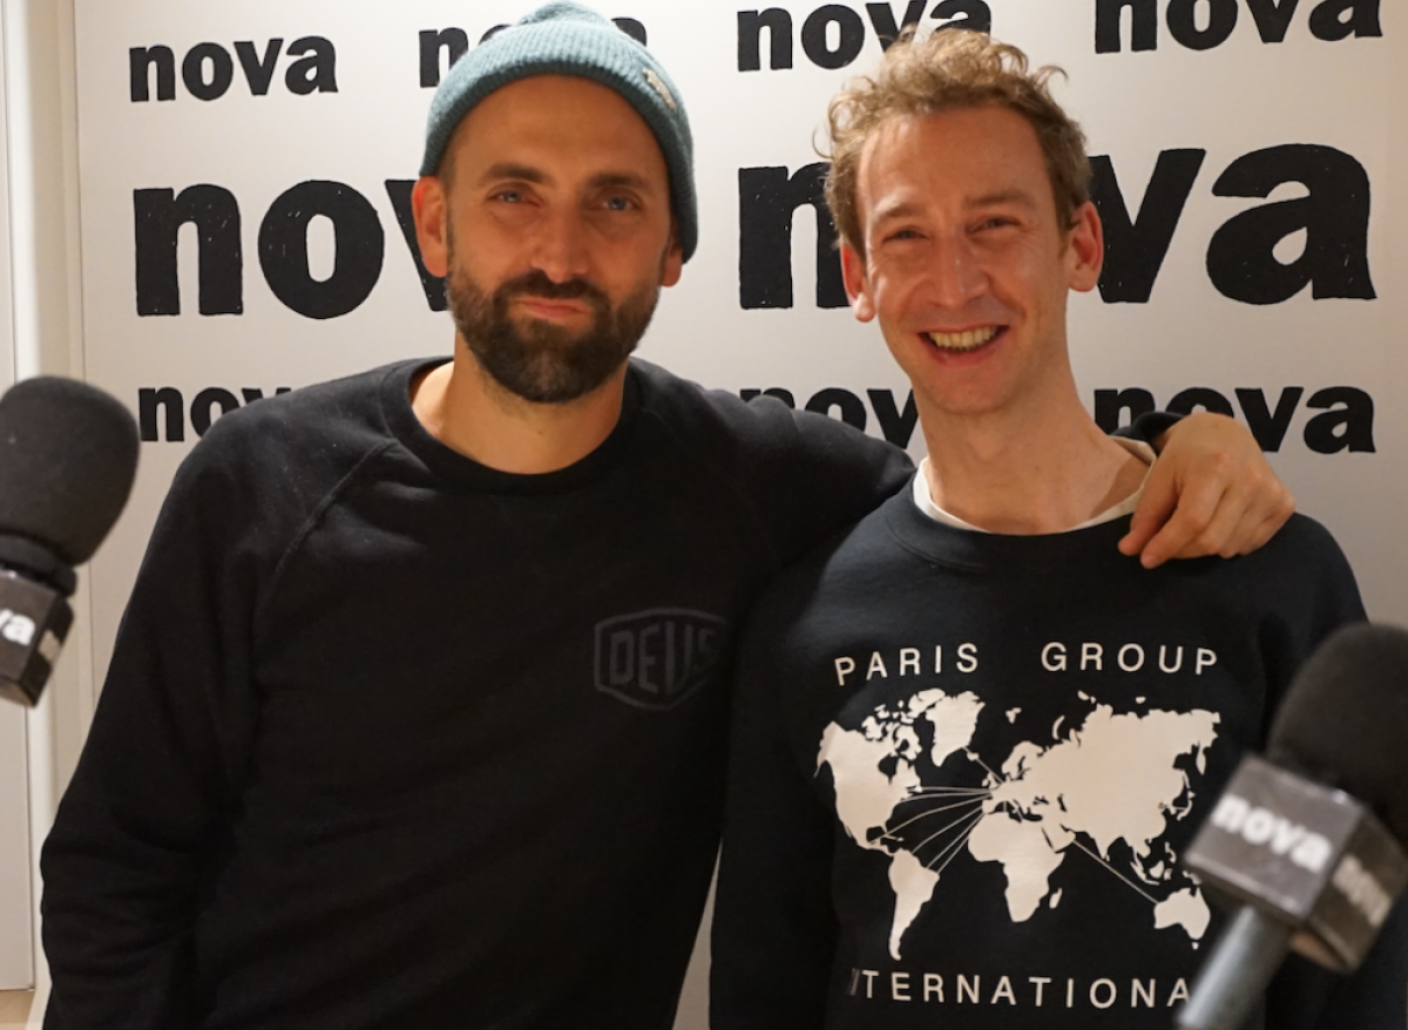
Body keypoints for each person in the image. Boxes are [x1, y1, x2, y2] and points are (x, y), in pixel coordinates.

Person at [40, 5, 1293, 1029]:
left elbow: (988, 476)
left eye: (615, 203)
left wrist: (1184, 444)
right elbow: (117, 864)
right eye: (513, 195)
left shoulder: (763, 490)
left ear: (676, 248)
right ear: (432, 222)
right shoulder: (261, 482)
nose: (560, 250)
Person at [709, 28, 1404, 1030]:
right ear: (858, 278)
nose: (954, 282)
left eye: (994, 225)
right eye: (906, 237)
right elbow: (764, 988)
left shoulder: (1269, 577)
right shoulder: (805, 622)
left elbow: (1348, 986)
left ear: (1080, 245)